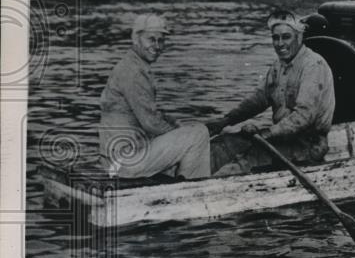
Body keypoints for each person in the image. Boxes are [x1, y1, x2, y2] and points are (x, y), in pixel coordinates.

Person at [207, 10, 336, 176]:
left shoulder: (313, 66)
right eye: (275, 38)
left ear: (299, 37)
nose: (280, 43)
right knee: (221, 145)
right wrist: (225, 121)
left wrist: (266, 134)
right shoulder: (279, 66)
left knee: (241, 165)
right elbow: (259, 99)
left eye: (286, 37)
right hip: (280, 138)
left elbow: (304, 117)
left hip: (307, 145)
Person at [99, 13, 211, 179]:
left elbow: (148, 114)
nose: (157, 46)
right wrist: (178, 132)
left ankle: (182, 179)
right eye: (151, 39)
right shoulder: (134, 72)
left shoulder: (131, 65)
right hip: (125, 162)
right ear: (136, 39)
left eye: (161, 40)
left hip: (117, 157)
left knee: (186, 131)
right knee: (199, 134)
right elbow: (150, 123)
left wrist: (175, 125)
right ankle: (194, 191)